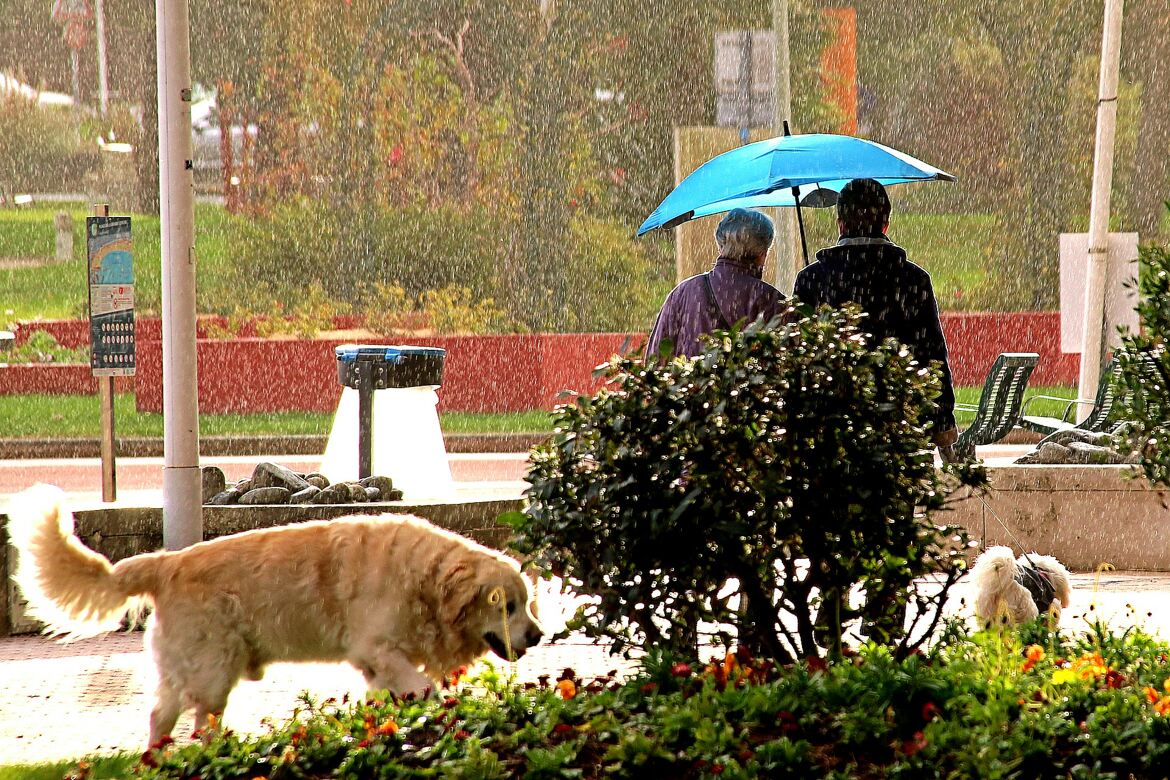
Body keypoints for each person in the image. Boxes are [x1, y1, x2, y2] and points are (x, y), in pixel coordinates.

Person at [793, 178, 959, 456]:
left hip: (831, 436)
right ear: (886, 224)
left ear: (841, 224)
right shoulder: (913, 280)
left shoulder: (811, 280)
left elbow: (798, 359)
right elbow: (932, 354)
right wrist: (942, 422)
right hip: (900, 431)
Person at [646, 208, 786, 360]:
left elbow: (655, 360)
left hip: (692, 384)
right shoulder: (773, 301)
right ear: (763, 253)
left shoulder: (683, 293)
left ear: (720, 247)